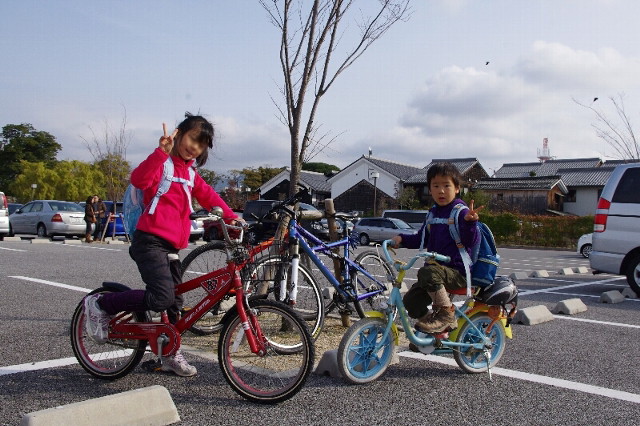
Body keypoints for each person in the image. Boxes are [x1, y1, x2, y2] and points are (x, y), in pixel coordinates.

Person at [83, 113, 241, 377]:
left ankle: (169, 354)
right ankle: (102, 305)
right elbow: (139, 180)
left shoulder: (190, 174)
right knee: (161, 297)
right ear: (179, 133)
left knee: (174, 303)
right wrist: (159, 153)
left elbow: (209, 196)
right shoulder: (163, 164)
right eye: (193, 139)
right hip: (149, 241)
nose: (196, 147)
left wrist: (233, 217)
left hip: (171, 248)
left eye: (201, 145)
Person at [391, 162, 481, 334]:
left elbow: (470, 241)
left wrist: (471, 223)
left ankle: (446, 316)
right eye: (436, 186)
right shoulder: (433, 213)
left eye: (446, 185)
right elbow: (421, 238)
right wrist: (401, 239)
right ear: (430, 189)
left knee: (428, 271)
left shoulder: (461, 212)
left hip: (457, 272)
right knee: (411, 301)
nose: (441, 190)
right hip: (436, 273)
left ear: (456, 188)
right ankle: (435, 334)